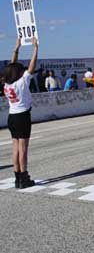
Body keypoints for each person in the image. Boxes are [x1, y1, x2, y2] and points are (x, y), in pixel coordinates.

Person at [3, 37, 38, 189]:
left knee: (15, 147)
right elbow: (31, 66)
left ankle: (17, 176)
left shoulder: (7, 84)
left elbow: (12, 66)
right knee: (23, 148)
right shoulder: (22, 82)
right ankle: (24, 176)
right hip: (22, 116)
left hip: (12, 116)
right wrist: (35, 48)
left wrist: (16, 48)